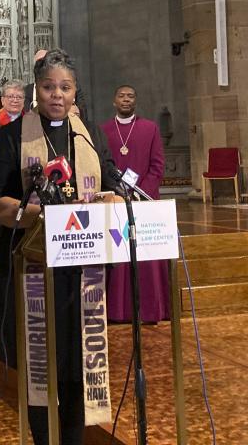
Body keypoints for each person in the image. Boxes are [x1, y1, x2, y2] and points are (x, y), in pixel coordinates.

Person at [0, 49, 117, 445]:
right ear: (36, 90)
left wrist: (113, 203)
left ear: (76, 91)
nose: (57, 94)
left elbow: (112, 186)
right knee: (41, 364)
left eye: (65, 87)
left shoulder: (89, 134)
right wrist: (37, 214)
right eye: (48, 87)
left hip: (82, 270)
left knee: (76, 364)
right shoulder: (12, 136)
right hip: (32, 265)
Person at [100, 85, 169, 323]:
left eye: (130, 96)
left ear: (135, 101)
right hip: (116, 203)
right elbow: (103, 167)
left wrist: (140, 192)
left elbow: (157, 166)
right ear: (114, 100)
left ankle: (150, 310)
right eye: (122, 96)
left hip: (145, 202)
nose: (126, 100)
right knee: (119, 256)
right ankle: (119, 311)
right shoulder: (104, 130)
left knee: (146, 258)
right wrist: (119, 192)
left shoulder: (150, 128)